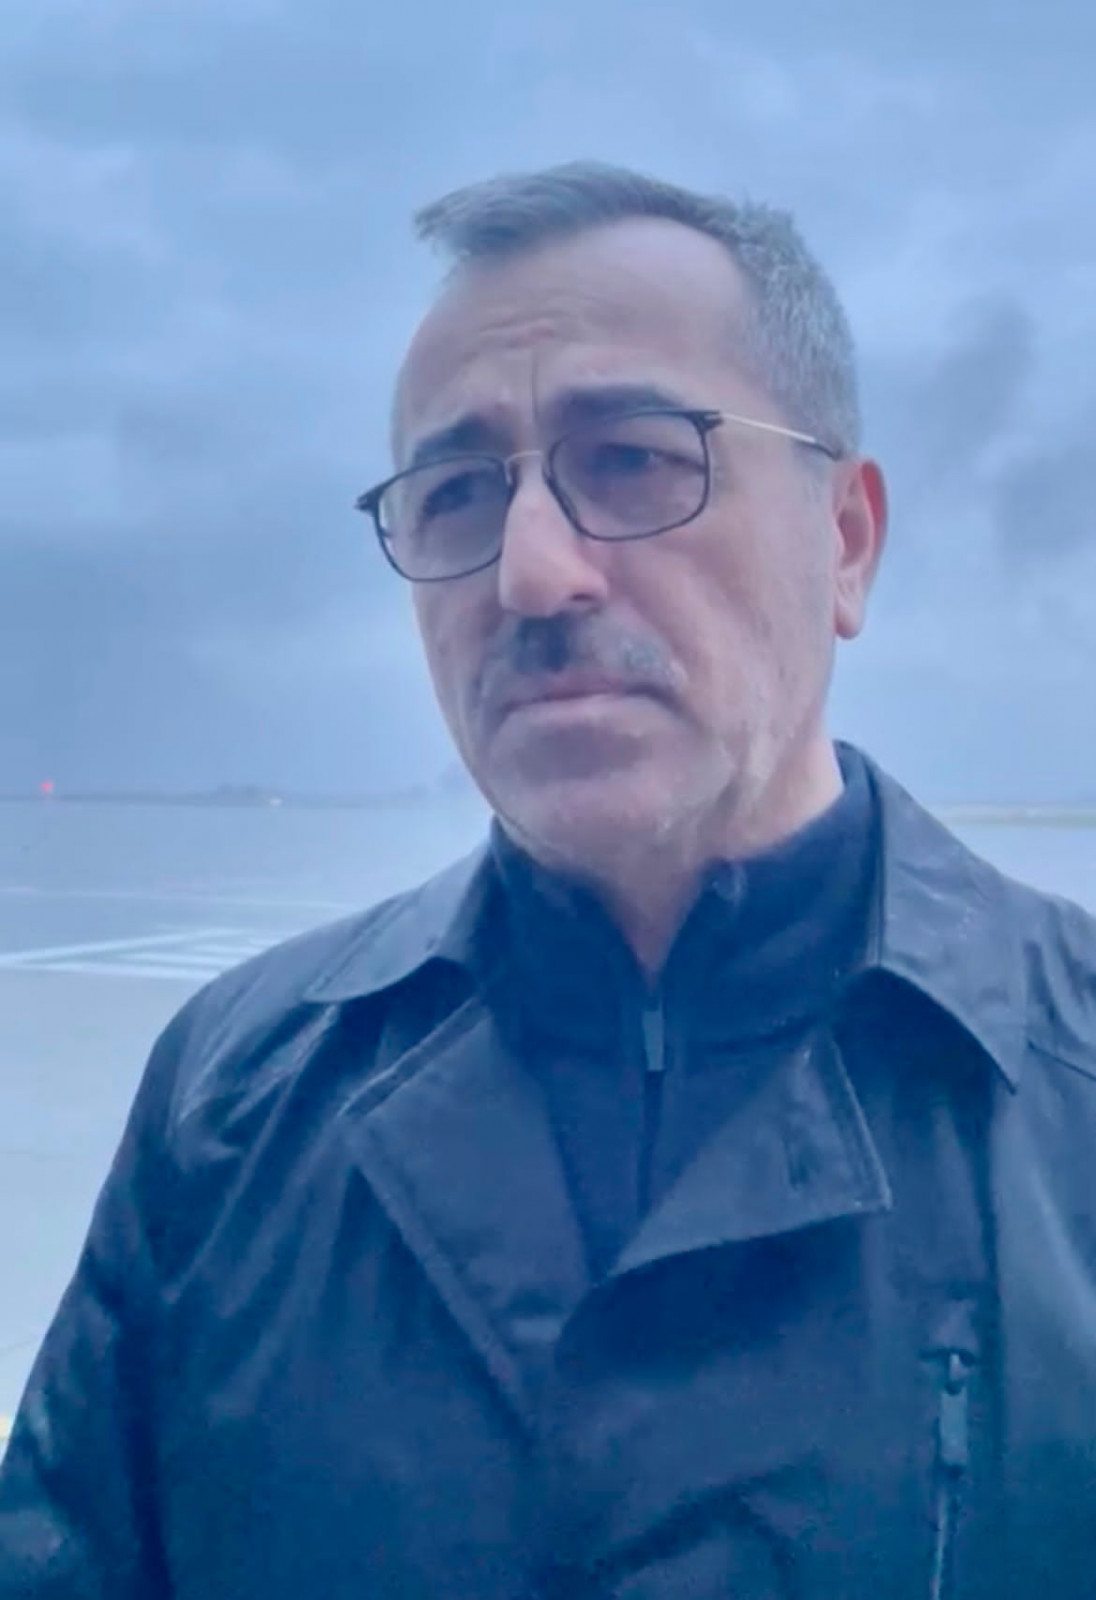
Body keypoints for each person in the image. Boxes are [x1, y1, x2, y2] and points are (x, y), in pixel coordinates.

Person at [2, 162, 1095, 1600]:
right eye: (457, 493)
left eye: (633, 459)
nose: (530, 572)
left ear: (845, 540)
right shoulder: (230, 1101)